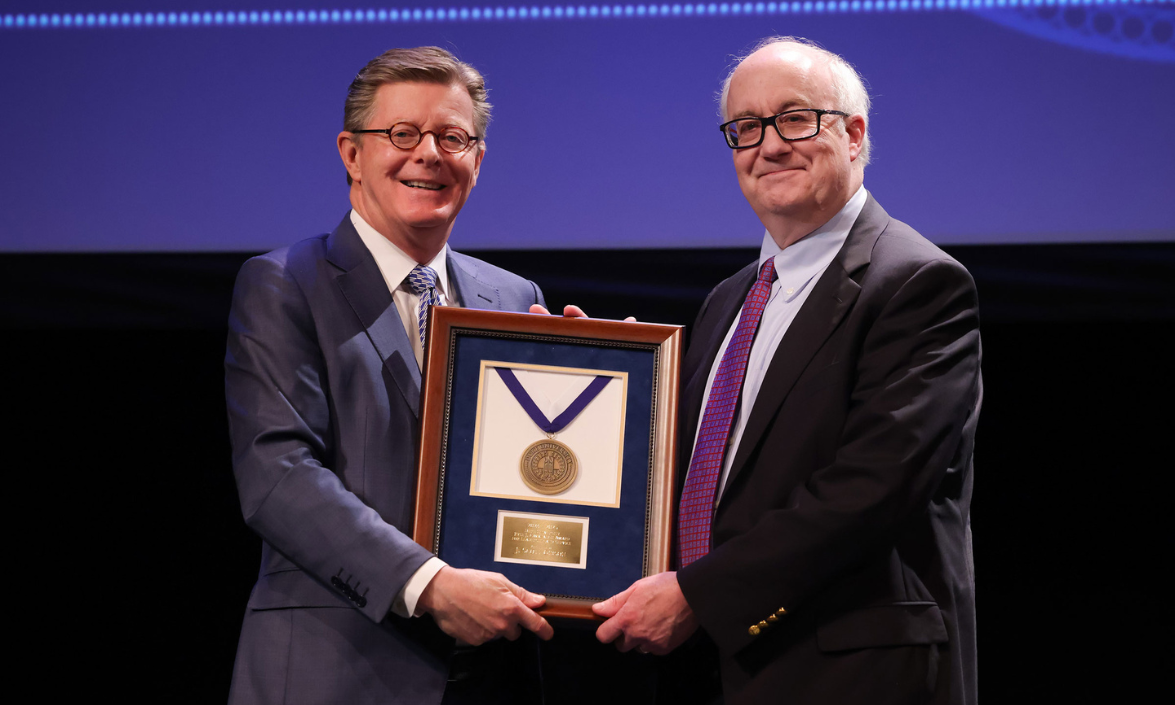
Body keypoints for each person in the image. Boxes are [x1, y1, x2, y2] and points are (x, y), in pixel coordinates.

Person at [593, 37, 981, 705]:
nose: (768, 145)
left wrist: (698, 594)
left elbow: (871, 488)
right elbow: (694, 472)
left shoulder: (917, 284)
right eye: (745, 128)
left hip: (851, 672)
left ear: (853, 134)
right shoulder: (729, 299)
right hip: (713, 668)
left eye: (795, 118)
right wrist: (602, 374)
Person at [224, 47, 554, 705]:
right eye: (403, 134)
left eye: (452, 137)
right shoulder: (285, 283)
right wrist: (429, 583)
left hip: (493, 676)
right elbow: (279, 475)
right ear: (351, 153)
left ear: (477, 160)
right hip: (335, 671)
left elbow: (535, 473)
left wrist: (596, 370)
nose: (428, 153)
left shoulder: (513, 298)